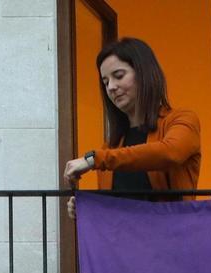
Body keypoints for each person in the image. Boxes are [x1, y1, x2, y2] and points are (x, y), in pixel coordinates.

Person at [65, 37, 202, 218]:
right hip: (124, 244)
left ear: (143, 73)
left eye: (119, 76)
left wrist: (93, 159)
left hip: (171, 241)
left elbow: (170, 152)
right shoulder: (112, 146)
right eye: (105, 82)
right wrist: (87, 208)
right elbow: (115, 209)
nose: (111, 87)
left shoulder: (182, 120)